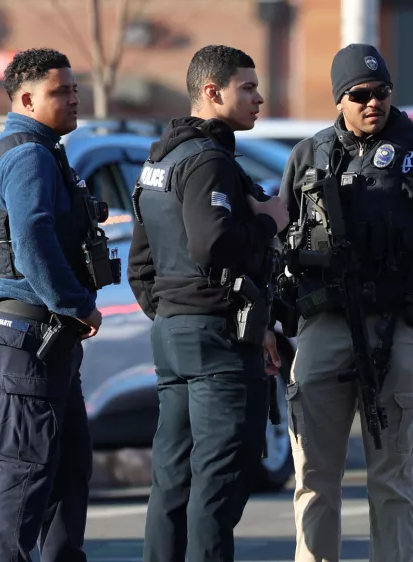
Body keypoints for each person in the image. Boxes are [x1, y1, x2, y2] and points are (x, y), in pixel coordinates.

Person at [277, 43, 413, 562]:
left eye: (382, 93)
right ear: (339, 99)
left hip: (397, 326)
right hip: (324, 324)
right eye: (359, 95)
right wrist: (277, 324)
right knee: (313, 476)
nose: (373, 104)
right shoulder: (309, 155)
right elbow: (281, 249)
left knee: (391, 477)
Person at [127, 44, 290, 562]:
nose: (259, 97)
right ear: (212, 92)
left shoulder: (161, 157)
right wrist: (271, 220)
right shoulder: (208, 162)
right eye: (247, 87)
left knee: (172, 481)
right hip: (215, 341)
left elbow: (141, 263)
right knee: (219, 483)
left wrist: (174, 312)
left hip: (175, 334)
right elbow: (214, 244)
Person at [0, 47, 115, 562]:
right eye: (61, 92)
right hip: (33, 328)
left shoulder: (35, 149)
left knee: (68, 465)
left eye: (75, 89)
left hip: (41, 333)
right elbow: (32, 235)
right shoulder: (29, 155)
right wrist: (76, 302)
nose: (73, 99)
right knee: (28, 467)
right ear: (28, 99)